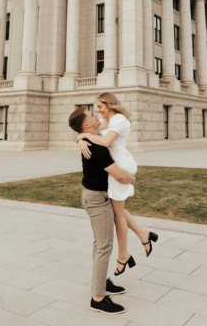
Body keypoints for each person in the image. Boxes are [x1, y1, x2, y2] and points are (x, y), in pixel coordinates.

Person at [76, 92, 158, 276]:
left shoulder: (119, 119)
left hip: (119, 166)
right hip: (116, 164)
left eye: (100, 106)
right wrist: (80, 138)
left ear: (110, 104)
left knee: (118, 214)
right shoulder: (108, 122)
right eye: (96, 108)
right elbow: (94, 134)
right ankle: (142, 235)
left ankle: (123, 255)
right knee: (117, 210)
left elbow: (105, 141)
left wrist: (82, 138)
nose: (97, 111)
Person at [68, 105, 135, 315]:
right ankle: (97, 298)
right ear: (87, 125)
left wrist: (78, 138)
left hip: (99, 196)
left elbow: (93, 136)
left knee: (100, 243)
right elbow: (119, 176)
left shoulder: (90, 139)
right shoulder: (94, 145)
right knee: (104, 245)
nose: (96, 113)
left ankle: (102, 283)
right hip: (97, 199)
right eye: (91, 114)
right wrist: (133, 179)